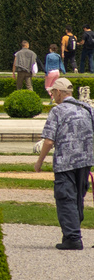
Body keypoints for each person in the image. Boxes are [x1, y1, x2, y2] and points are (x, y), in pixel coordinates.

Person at [36, 74, 94, 250]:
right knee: (78, 196)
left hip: (65, 161)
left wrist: (39, 162)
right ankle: (72, 233)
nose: (52, 96)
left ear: (60, 92)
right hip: (85, 161)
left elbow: (48, 141)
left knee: (65, 197)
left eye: (53, 93)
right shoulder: (87, 108)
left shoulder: (57, 111)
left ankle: (72, 238)